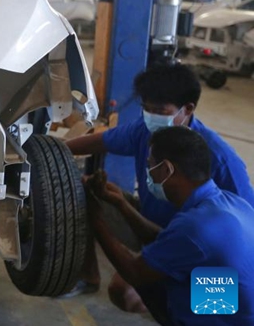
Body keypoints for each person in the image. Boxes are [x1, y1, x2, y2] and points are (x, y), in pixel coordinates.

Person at [63, 63, 254, 304]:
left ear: (188, 109)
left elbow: (135, 271)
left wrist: (98, 219)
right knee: (88, 192)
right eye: (146, 108)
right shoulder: (145, 132)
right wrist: (51, 151)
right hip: (163, 232)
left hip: (204, 262)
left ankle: (193, 307)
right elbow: (101, 141)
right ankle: (91, 276)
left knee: (130, 291)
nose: (151, 116)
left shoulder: (222, 162)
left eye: (160, 110)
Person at [85, 127, 254, 325]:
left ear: (166, 169)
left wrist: (95, 218)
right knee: (172, 272)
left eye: (150, 166)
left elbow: (134, 272)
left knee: (151, 282)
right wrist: (121, 203)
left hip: (233, 315)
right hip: (237, 301)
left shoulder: (195, 226)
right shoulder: (229, 202)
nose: (148, 174)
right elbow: (167, 239)